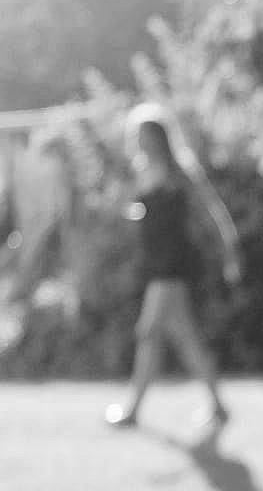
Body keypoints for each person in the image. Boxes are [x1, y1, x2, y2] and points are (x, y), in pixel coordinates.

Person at [103, 104, 241, 433]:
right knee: (185, 339)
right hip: (154, 263)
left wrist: (230, 251)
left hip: (175, 263)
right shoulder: (141, 172)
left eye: (142, 135)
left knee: (148, 330)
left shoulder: (180, 172)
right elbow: (145, 214)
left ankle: (133, 409)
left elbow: (212, 212)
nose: (138, 142)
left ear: (157, 137)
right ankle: (219, 406)